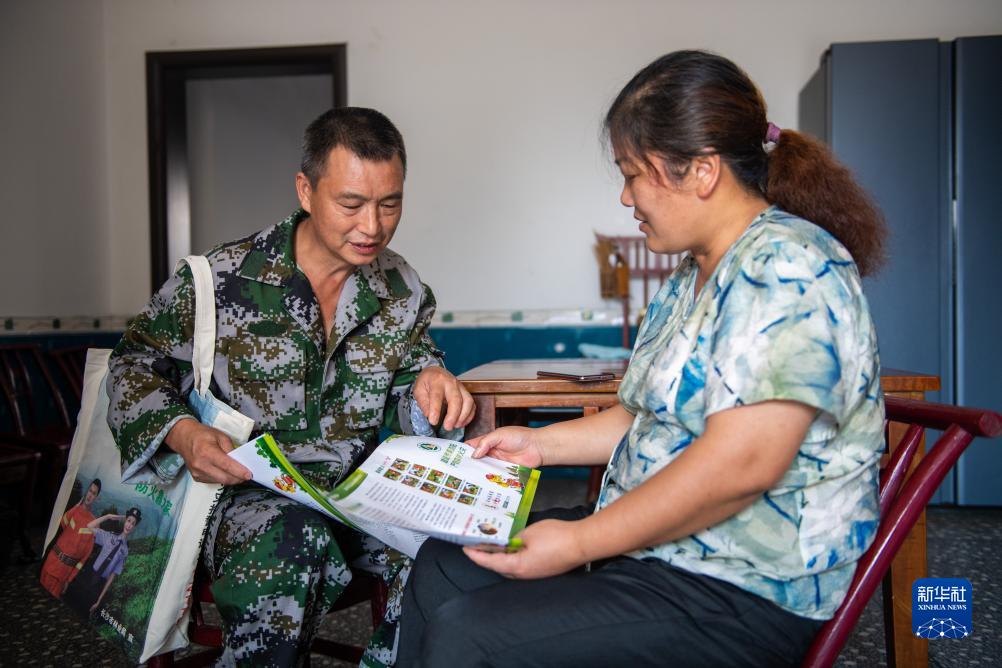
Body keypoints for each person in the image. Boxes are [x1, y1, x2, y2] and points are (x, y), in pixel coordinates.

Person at [397, 50, 887, 667]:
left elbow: (743, 465)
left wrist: (580, 541)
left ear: (701, 172)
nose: (627, 197)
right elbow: (642, 416)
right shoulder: (690, 276)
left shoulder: (788, 267)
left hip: (741, 583)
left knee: (470, 635)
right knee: (443, 567)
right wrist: (537, 445)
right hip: (662, 551)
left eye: (633, 174)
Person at [106, 107, 475, 666]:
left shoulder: (401, 288)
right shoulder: (217, 280)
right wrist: (183, 433)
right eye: (351, 204)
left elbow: (410, 388)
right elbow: (131, 367)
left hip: (354, 498)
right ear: (306, 190)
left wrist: (430, 386)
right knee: (294, 541)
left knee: (457, 554)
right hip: (242, 502)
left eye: (390, 204)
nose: (372, 227)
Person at [40, 478, 102, 598]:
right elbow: (61, 525)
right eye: (90, 491)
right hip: (51, 563)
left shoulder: (95, 524)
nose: (90, 495)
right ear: (86, 491)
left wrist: (69, 579)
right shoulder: (74, 511)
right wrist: (76, 506)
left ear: (97, 497)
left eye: (94, 493)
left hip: (63, 574)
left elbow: (84, 558)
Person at [83, 507, 142, 616]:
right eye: (128, 521)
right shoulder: (109, 536)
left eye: (133, 523)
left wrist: (99, 600)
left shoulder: (125, 551)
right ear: (125, 521)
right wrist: (108, 516)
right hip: (88, 575)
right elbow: (89, 526)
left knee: (84, 614)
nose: (129, 525)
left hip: (99, 585)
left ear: (134, 527)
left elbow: (112, 576)